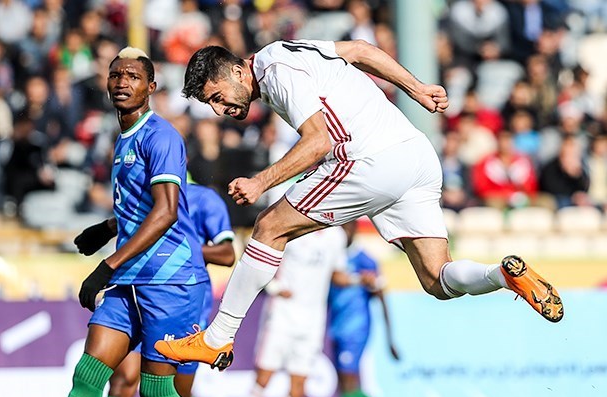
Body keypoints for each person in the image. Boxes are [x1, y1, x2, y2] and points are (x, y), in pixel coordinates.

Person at [154, 39, 564, 372]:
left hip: (367, 160)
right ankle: (503, 276)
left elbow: (320, 141)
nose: (219, 109)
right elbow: (362, 51)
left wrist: (262, 180)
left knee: (268, 228)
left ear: (238, 71)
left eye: (218, 97)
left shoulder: (276, 73)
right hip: (415, 155)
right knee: (438, 280)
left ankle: (216, 336)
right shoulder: (293, 49)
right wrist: (416, 88)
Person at [1, 47, 241, 397]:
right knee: (89, 375)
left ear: (151, 87)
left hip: (171, 282)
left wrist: (107, 265)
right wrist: (109, 227)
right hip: (133, 280)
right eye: (115, 74)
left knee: (157, 392)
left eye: (133, 75)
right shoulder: (124, 138)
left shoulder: (162, 135)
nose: (122, 81)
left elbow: (168, 210)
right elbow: (141, 206)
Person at [80, 180, 236, 397]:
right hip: (136, 294)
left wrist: (184, 249)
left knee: (176, 393)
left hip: (182, 303)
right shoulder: (140, 198)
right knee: (122, 382)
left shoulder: (204, 200)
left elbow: (227, 253)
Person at [222, 225, 348, 397]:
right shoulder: (295, 226)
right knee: (263, 380)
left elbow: (337, 274)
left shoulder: (337, 235)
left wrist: (360, 280)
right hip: (281, 315)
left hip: (312, 321)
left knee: (298, 389)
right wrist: (274, 288)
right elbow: (258, 256)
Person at [312, 219, 409, 397]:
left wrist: (390, 338)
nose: (342, 234)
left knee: (348, 386)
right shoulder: (331, 256)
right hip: (336, 327)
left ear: (354, 229)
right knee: (350, 389)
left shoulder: (365, 259)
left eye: (346, 228)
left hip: (356, 329)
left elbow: (381, 295)